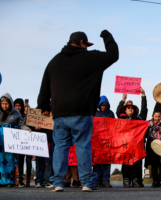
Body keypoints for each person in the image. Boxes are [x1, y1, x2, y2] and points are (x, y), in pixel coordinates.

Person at [37, 30, 119, 192]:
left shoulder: (55, 61)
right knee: (82, 145)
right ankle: (87, 183)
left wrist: (44, 106)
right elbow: (113, 54)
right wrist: (106, 36)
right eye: (86, 45)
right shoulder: (91, 58)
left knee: (60, 146)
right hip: (81, 111)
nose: (87, 48)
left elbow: (45, 84)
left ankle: (58, 183)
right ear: (82, 42)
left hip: (60, 112)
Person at [0, 93, 31, 187]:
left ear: (10, 103)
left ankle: (9, 181)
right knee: (0, 161)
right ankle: (1, 181)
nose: (4, 106)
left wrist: (27, 129)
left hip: (11, 142)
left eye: (6, 103)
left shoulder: (16, 113)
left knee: (10, 161)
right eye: (2, 103)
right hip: (0, 141)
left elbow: (21, 124)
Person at [119, 104, 144, 188]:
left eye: (132, 108)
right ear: (125, 110)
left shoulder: (138, 119)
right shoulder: (121, 118)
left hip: (134, 145)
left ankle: (135, 180)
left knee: (134, 162)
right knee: (125, 162)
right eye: (128, 108)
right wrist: (123, 101)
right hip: (125, 144)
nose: (130, 109)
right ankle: (126, 179)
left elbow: (144, 111)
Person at [93, 96, 115, 188]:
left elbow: (115, 126)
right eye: (102, 105)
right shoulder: (94, 112)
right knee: (97, 161)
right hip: (97, 140)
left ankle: (105, 180)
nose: (104, 107)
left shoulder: (110, 113)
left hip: (107, 141)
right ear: (99, 104)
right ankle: (96, 180)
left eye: (106, 105)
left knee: (107, 161)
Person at [145, 109, 161, 188]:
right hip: (152, 147)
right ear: (153, 116)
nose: (157, 118)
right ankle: (155, 182)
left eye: (159, 116)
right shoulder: (148, 123)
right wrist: (146, 129)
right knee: (154, 165)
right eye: (155, 116)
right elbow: (144, 134)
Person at [13, 98, 33, 187]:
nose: (17, 107)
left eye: (19, 106)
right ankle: (20, 180)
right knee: (20, 160)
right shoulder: (14, 116)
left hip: (28, 141)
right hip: (18, 141)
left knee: (28, 161)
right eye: (16, 106)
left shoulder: (30, 116)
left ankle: (28, 180)